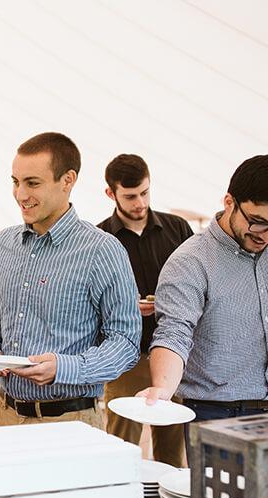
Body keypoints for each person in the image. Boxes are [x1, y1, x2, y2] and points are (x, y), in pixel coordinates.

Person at [0, 132, 141, 430]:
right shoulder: (3, 244)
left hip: (72, 421)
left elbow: (126, 343)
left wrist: (64, 368)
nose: (20, 195)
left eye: (32, 183)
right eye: (15, 182)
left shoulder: (102, 250)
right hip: (4, 415)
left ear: (67, 180)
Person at [138, 155, 268, 445]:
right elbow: (174, 333)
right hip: (218, 417)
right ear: (229, 202)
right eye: (258, 222)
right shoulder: (190, 262)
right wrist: (162, 387)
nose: (265, 236)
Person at [98, 154, 193, 467]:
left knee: (172, 449)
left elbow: (195, 284)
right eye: (129, 196)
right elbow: (88, 302)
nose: (139, 202)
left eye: (144, 192)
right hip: (125, 356)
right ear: (111, 194)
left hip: (175, 355)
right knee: (121, 446)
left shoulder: (178, 228)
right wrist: (124, 307)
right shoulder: (99, 238)